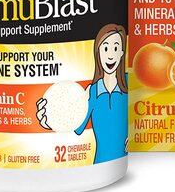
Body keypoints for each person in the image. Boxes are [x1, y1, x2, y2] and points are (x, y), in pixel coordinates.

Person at [37, 24, 128, 163]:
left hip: (120, 156)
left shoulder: (128, 82)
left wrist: (134, 139)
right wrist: (49, 123)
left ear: (121, 53)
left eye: (115, 48)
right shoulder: (92, 92)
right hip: (100, 160)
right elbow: (76, 128)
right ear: (98, 52)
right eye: (105, 48)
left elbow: (140, 107)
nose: (110, 55)